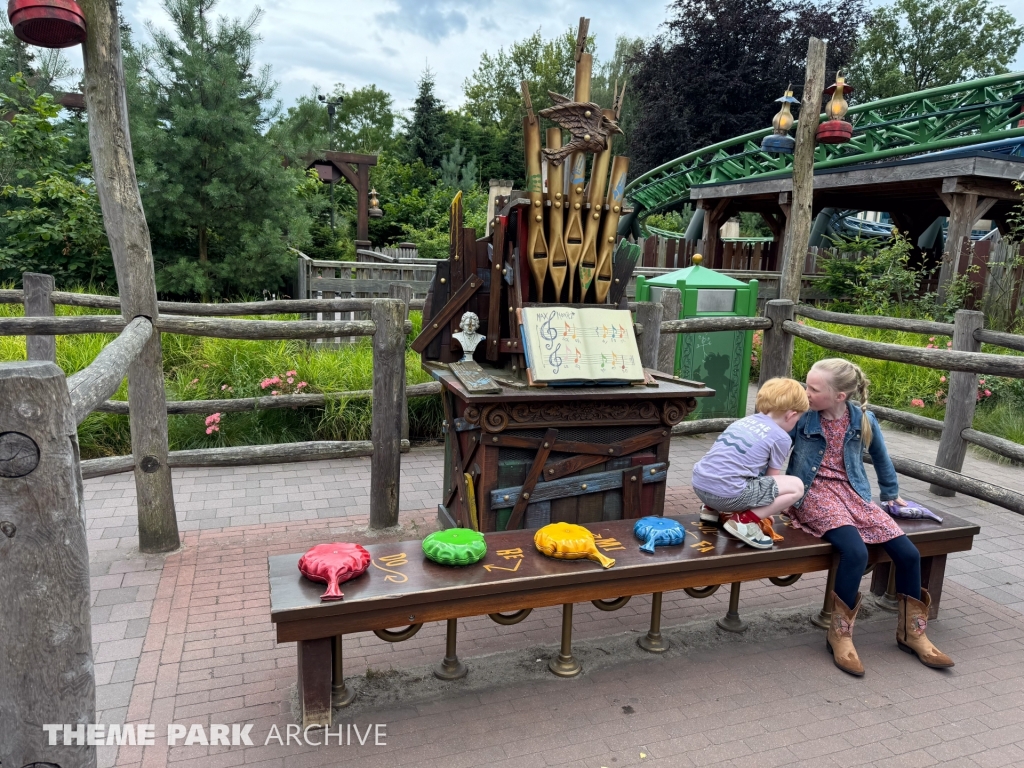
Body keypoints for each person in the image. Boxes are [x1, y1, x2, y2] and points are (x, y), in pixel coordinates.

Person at [787, 358, 953, 676]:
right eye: (806, 384)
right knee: (855, 551)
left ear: (839, 396)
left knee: (908, 554)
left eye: (813, 388)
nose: (805, 392)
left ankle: (913, 633)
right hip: (814, 495)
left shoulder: (862, 419)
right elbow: (772, 445)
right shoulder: (803, 419)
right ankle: (840, 635)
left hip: (855, 496)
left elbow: (880, 456)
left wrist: (890, 493)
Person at [692, 377, 808, 549]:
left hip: (700, 486)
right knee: (796, 486)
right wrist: (764, 513)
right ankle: (744, 522)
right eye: (797, 419)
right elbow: (771, 480)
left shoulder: (744, 421)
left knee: (729, 469)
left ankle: (709, 510)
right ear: (791, 415)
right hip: (726, 496)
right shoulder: (781, 437)